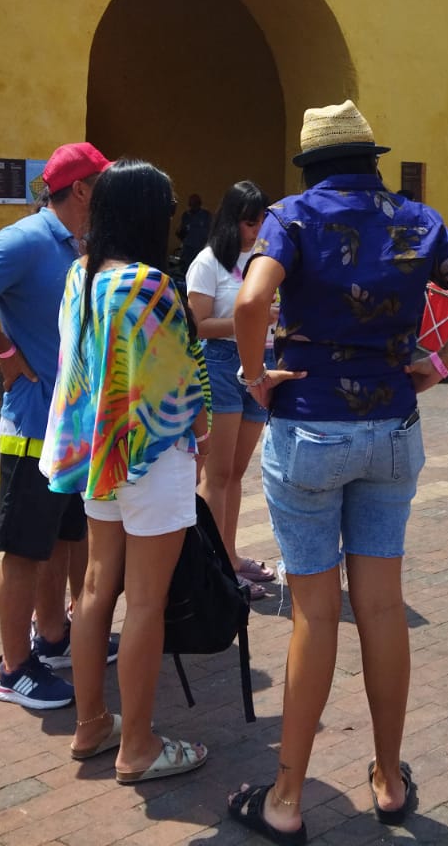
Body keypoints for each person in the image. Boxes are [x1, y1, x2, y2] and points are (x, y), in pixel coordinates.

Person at [224, 100, 448, 844]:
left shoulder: (291, 216)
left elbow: (253, 299)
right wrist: (441, 365)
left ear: (311, 164)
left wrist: (256, 374)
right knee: (382, 606)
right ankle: (387, 778)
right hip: (391, 424)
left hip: (309, 427)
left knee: (316, 613)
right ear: (371, 159)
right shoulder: (416, 219)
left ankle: (286, 798)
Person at [40, 159, 211, 780]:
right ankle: (137, 746)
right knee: (145, 603)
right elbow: (180, 383)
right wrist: (202, 429)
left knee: (92, 589)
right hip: (150, 456)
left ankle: (91, 726)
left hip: (96, 458)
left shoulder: (78, 277)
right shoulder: (150, 286)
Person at [0, 142, 112, 709]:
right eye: (102, 182)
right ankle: (13, 669)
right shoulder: (25, 240)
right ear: (82, 189)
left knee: (63, 540)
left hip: (72, 426)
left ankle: (54, 636)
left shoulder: (81, 244)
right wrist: (4, 349)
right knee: (23, 552)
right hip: (34, 424)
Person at [186, 181, 278, 598]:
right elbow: (199, 325)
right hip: (221, 362)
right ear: (232, 219)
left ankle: (229, 554)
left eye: (261, 220)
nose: (256, 228)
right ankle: (217, 567)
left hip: (261, 362)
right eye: (249, 220)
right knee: (217, 474)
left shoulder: (267, 259)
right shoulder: (209, 262)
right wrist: (252, 317)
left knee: (236, 473)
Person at [177, 193, 213, 275]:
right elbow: (181, 231)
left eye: (195, 204)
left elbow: (210, 231)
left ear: (199, 204)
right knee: (186, 271)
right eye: (191, 204)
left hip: (200, 249)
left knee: (199, 272)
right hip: (188, 250)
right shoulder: (186, 215)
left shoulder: (205, 215)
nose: (193, 206)